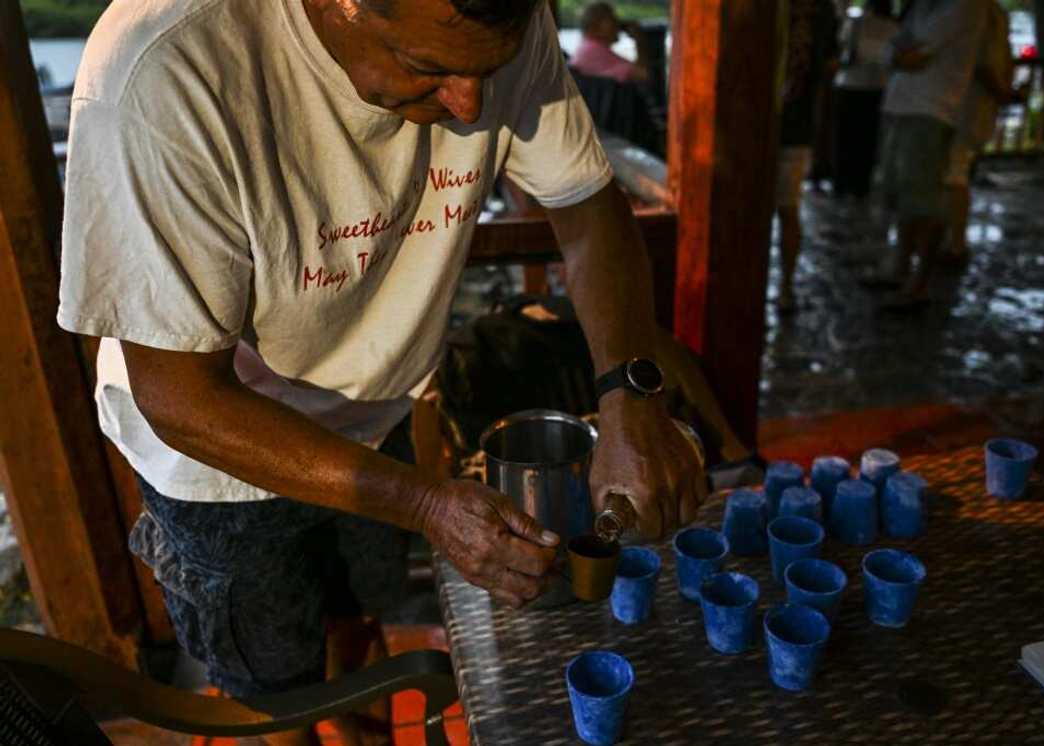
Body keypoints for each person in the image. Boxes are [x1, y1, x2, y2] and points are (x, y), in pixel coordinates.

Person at [56, 1, 705, 744]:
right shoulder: (167, 68)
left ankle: (359, 725)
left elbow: (587, 207)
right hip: (219, 457)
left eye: (487, 72)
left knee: (360, 614)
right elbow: (179, 395)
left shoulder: (489, 23)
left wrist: (629, 397)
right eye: (429, 69)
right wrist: (429, 505)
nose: (470, 104)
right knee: (275, 692)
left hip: (379, 409)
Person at [872, 0, 987, 309]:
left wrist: (899, 54)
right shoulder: (923, 7)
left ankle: (919, 282)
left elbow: (912, 55)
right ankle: (900, 268)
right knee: (901, 195)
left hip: (932, 111)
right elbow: (896, 50)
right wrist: (899, 54)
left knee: (924, 201)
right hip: (901, 104)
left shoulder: (965, 7)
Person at [776, 0, 840, 314]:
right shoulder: (822, 11)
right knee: (788, 209)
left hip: (768, 130)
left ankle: (783, 285)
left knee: (779, 212)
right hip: (795, 127)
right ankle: (784, 287)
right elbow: (828, 72)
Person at [941, 0, 1015, 264]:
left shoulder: (977, 12)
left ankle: (954, 243)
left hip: (962, 107)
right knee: (954, 172)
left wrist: (1003, 93)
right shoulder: (993, 13)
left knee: (953, 174)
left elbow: (985, 65)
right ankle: (950, 240)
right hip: (969, 106)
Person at [832, 0, 900, 199]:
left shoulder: (857, 23)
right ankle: (857, 184)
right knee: (865, 140)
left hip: (853, 86)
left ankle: (844, 183)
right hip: (871, 87)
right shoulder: (891, 28)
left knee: (848, 138)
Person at [570, 2, 650, 83]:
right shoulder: (593, 50)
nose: (617, 24)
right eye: (612, 19)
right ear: (594, 26)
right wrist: (640, 40)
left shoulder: (587, 47)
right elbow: (643, 74)